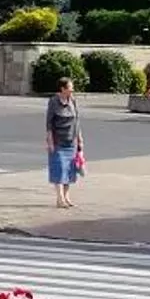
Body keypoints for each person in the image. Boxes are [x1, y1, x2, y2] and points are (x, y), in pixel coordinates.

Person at [45, 76, 84, 208]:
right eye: (70, 88)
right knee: (59, 169)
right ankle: (60, 198)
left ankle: (66, 197)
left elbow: (77, 121)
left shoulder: (73, 100)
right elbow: (49, 123)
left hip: (71, 141)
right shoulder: (53, 101)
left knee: (69, 171)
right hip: (58, 141)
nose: (72, 90)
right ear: (62, 89)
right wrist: (50, 141)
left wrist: (80, 139)